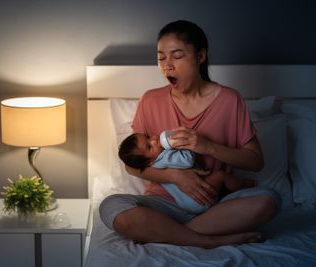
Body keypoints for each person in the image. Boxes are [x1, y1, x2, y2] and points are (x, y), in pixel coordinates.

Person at [99, 20, 281, 249]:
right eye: (161, 57)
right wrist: (176, 177)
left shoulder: (229, 100)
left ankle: (163, 233)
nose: (167, 65)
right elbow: (132, 165)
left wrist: (208, 147)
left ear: (200, 56)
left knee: (269, 201)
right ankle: (207, 239)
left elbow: (256, 161)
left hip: (214, 205)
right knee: (110, 207)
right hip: (162, 205)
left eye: (176, 55)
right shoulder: (150, 100)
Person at [118, 132, 256, 214]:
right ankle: (243, 186)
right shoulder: (163, 159)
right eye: (149, 146)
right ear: (148, 162)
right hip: (195, 199)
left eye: (148, 137)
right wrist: (184, 144)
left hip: (187, 203)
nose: (154, 139)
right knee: (221, 176)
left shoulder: (155, 163)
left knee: (218, 182)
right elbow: (187, 161)